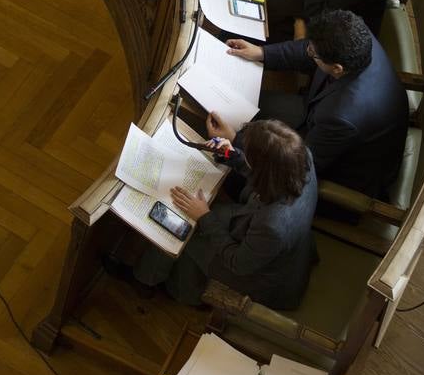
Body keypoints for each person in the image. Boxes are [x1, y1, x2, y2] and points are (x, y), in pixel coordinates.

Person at [116, 119, 317, 309]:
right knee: (197, 222)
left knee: (183, 232)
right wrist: (230, 154)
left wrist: (204, 217)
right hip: (261, 235)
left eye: (247, 155)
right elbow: (264, 174)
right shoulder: (300, 156)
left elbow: (237, 263)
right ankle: (161, 279)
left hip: (262, 276)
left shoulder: (273, 226)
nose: (243, 154)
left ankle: (171, 291)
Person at [223, 10, 408, 199]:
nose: (309, 52)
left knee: (232, 177)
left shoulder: (342, 117)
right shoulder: (354, 35)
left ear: (337, 68)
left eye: (313, 53)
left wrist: (235, 140)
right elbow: (311, 49)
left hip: (338, 172)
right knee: (246, 103)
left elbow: (299, 165)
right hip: (318, 114)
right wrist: (261, 52)